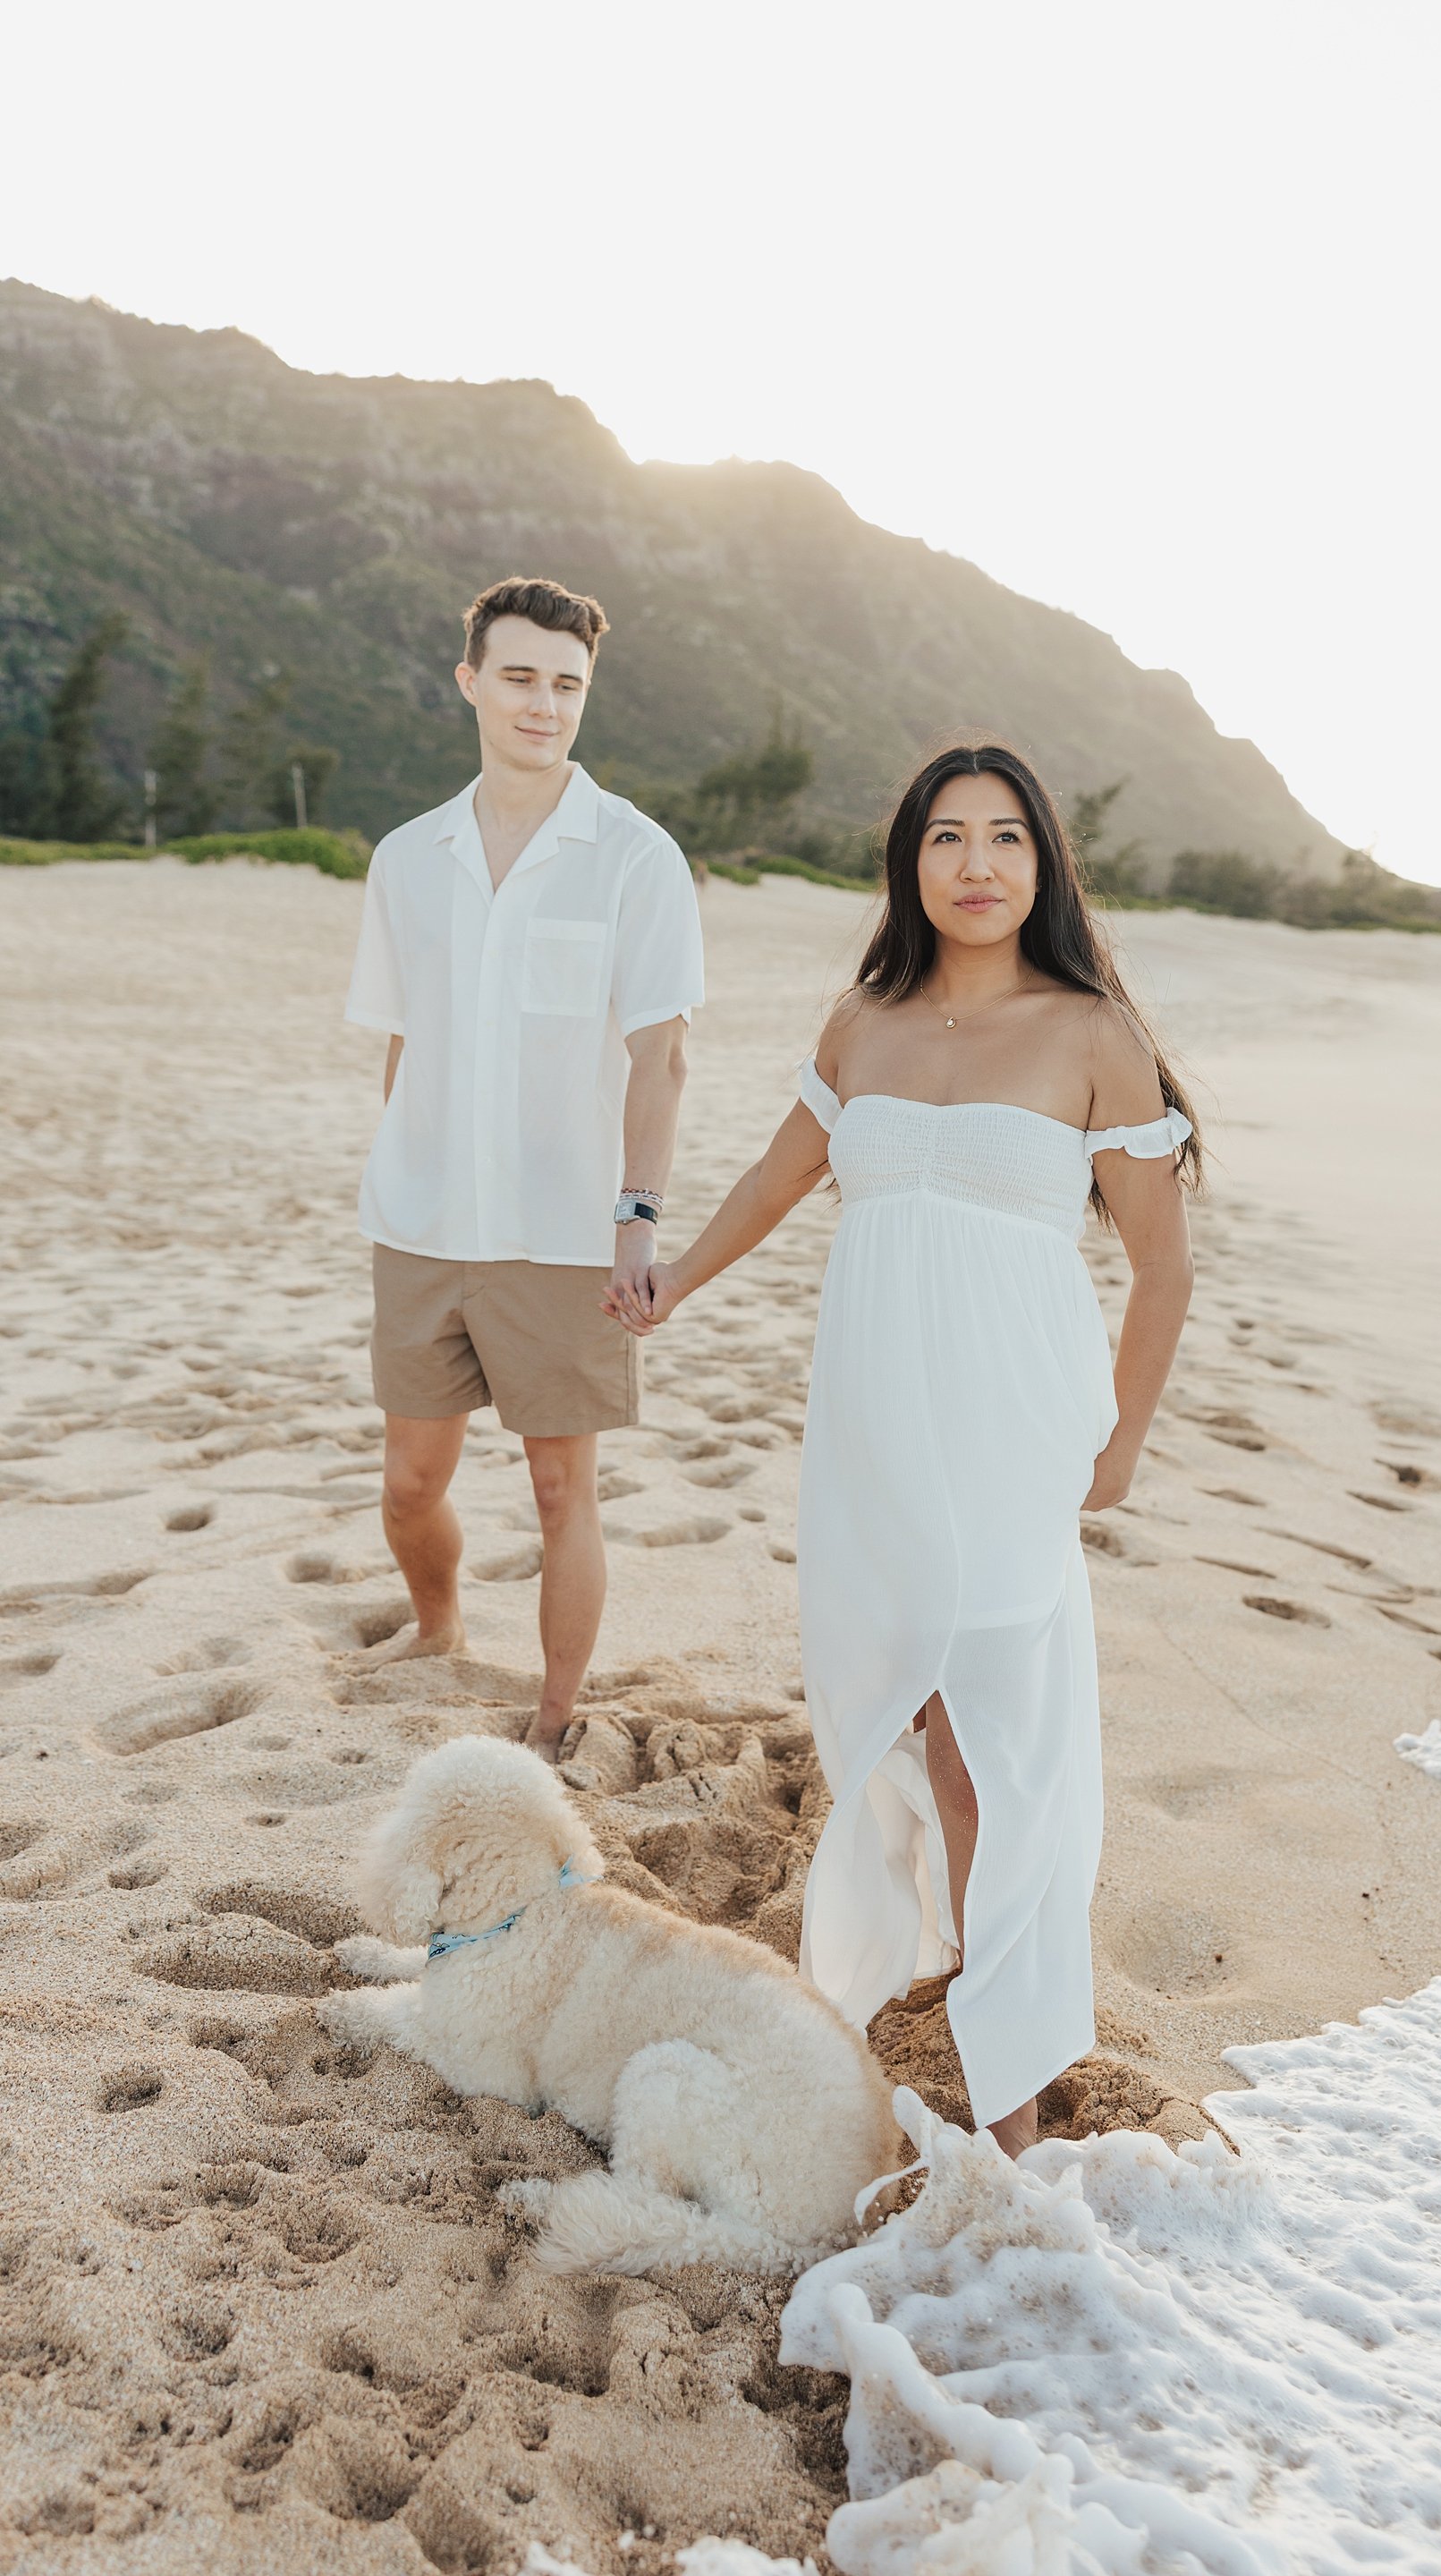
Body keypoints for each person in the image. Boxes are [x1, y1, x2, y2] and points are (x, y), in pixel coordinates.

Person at [606, 742, 1198, 2156]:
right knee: (916, 1719)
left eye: (1005, 838)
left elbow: (1164, 1266)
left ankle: (1011, 2097)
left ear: (1043, 863)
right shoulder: (860, 1024)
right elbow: (780, 1174)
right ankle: (948, 1962)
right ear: (910, 861)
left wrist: (1119, 1443)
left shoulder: (1092, 1034)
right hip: (875, 1426)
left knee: (993, 1736)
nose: (976, 865)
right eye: (947, 837)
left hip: (1016, 1430)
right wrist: (671, 1280)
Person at [344, 574, 703, 1760]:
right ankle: (437, 1626)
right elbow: (403, 1042)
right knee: (408, 1482)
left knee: (561, 1493)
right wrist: (407, 1168)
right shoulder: (407, 858)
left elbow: (662, 1056)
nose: (543, 704)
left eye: (566, 684)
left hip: (564, 1235)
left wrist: (636, 1224)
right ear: (470, 682)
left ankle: (552, 1717)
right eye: (519, 678)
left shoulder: (635, 857)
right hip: (422, 1225)